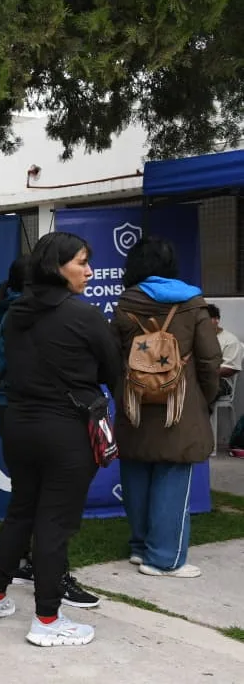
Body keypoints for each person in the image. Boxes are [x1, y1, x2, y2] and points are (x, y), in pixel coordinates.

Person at [0, 232, 120, 647]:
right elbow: (114, 370)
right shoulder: (83, 315)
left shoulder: (15, 312)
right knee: (53, 522)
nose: (89, 270)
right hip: (66, 431)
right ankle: (47, 619)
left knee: (21, 510)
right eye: (80, 261)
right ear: (58, 268)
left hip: (18, 426)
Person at [0, 257, 101, 609]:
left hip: (15, 415)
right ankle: (50, 605)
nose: (85, 272)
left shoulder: (7, 310)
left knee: (24, 506)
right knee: (52, 514)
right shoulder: (30, 315)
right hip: (45, 417)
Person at [112, 236, 221, 579]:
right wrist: (208, 396)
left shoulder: (125, 303)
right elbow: (209, 359)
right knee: (173, 477)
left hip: (135, 402)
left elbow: (112, 357)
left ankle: (140, 546)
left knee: (137, 471)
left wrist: (122, 392)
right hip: (180, 405)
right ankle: (165, 558)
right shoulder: (192, 303)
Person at [207, 304, 243, 398]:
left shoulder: (230, 340)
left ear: (216, 320)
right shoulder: (197, 338)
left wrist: (205, 373)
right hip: (198, 379)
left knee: (200, 390)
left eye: (207, 319)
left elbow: (231, 369)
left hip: (222, 382)